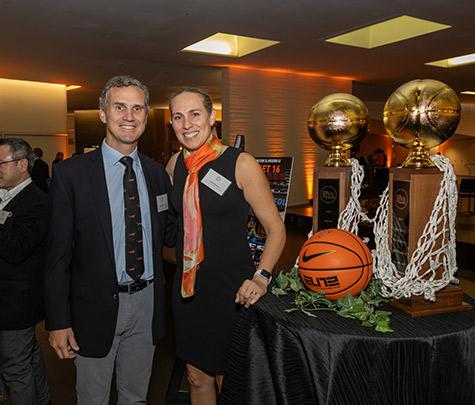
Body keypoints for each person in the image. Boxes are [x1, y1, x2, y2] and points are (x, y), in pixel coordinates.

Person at [44, 75, 176, 404]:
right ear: (103, 113)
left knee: (136, 397)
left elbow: (172, 233)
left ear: (146, 116)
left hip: (146, 303)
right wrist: (58, 321)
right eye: (119, 107)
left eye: (137, 108)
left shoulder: (157, 174)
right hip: (93, 306)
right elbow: (57, 255)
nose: (129, 116)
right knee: (92, 398)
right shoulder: (70, 175)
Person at [166, 87, 286, 404]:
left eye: (195, 114)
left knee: (229, 381)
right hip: (188, 289)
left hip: (232, 289)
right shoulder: (174, 165)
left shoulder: (240, 163)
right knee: (195, 377)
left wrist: (261, 277)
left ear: (211, 116)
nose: (187, 123)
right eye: (178, 116)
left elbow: (276, 229)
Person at [0, 138, 51, 405]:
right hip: (9, 302)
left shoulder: (37, 202)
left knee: (15, 369)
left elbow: (16, 250)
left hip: (17, 304)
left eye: (1, 163)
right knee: (28, 359)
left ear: (22, 165)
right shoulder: (5, 196)